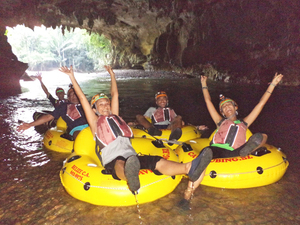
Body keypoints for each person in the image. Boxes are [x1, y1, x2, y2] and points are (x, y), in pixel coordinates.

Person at [59, 65, 213, 194]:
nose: (106, 106)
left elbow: (115, 94)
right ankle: (130, 177)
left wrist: (112, 75)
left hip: (131, 156)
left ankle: (188, 168)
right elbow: (83, 99)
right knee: (120, 164)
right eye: (101, 104)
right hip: (113, 158)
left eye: (107, 103)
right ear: (95, 109)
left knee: (156, 161)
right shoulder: (94, 122)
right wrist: (72, 77)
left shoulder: (115, 116)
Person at [177, 72, 284, 210]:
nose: (227, 107)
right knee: (206, 153)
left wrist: (273, 84)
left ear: (235, 107)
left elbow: (261, 103)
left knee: (261, 136)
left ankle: (248, 149)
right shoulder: (219, 122)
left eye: (229, 105)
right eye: (223, 107)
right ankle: (188, 194)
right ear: (222, 112)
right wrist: (204, 85)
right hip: (217, 150)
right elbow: (208, 102)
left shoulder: (245, 123)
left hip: (236, 152)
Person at [17, 86, 88, 140]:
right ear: (68, 97)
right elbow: (48, 117)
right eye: (71, 95)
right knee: (80, 135)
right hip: (77, 128)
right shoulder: (62, 106)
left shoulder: (86, 104)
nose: (74, 96)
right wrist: (30, 124)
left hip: (91, 124)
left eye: (75, 94)